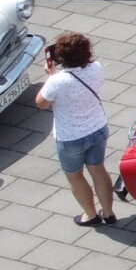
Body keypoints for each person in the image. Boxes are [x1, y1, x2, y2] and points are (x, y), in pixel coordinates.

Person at [35, 33, 114, 227]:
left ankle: (91, 215)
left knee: (75, 175)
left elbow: (41, 103)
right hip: (97, 128)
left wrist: (51, 76)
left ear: (61, 57)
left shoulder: (57, 81)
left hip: (71, 137)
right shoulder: (97, 68)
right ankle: (108, 213)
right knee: (98, 169)